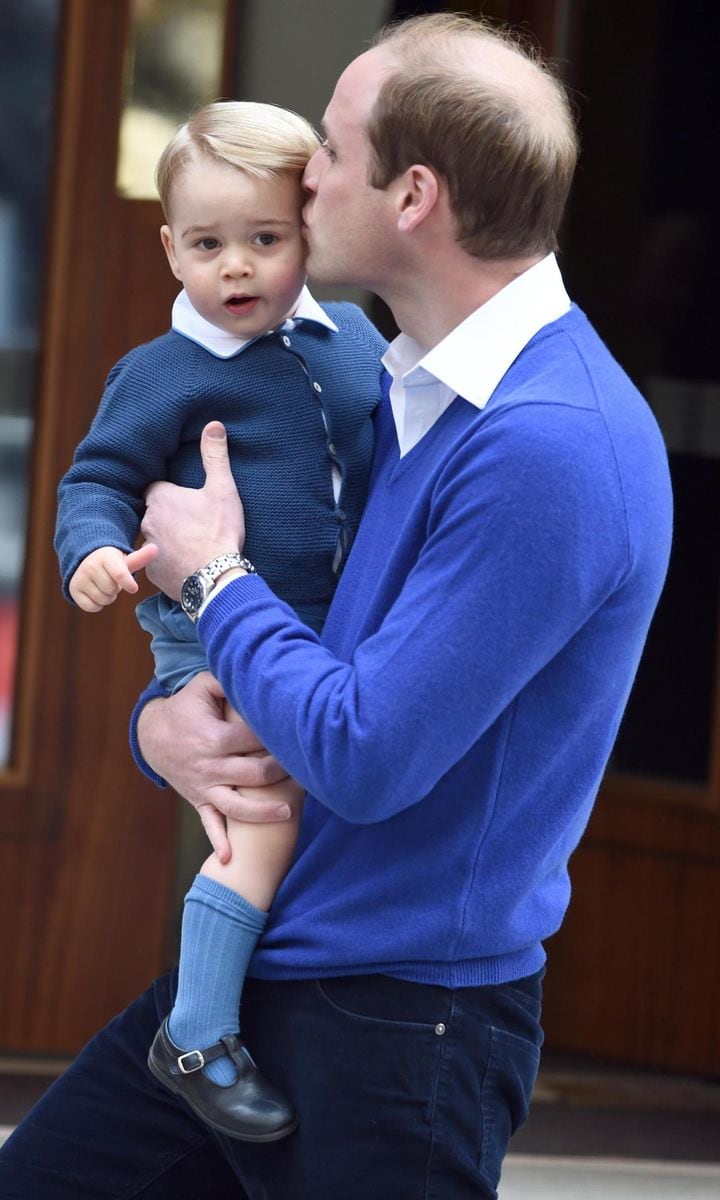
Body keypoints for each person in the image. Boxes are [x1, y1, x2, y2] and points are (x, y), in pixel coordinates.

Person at [0, 12, 672, 1200]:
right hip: (271, 969)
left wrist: (215, 574)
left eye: (329, 145)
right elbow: (312, 670)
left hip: (403, 1028)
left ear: (411, 194)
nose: (300, 169)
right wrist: (166, 736)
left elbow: (361, 750)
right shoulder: (400, 387)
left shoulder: (549, 447)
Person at [52, 101, 386, 1142]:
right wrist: (97, 556)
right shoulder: (163, 373)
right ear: (170, 247)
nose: (236, 268)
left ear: (308, 231)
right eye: (207, 245)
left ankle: (267, 1002)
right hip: (211, 635)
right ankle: (197, 1033)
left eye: (265, 240)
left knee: (321, 800)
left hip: (327, 626)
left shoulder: (355, 342)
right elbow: (97, 480)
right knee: (265, 817)